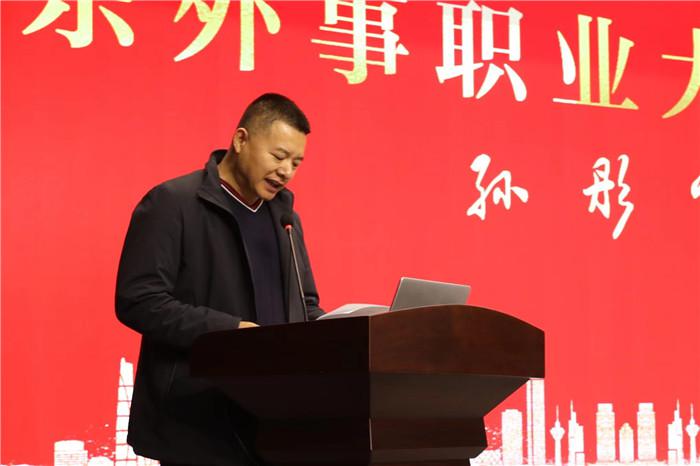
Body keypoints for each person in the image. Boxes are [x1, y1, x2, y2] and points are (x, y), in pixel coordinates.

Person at [115, 93, 324, 466]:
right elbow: (139, 300)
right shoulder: (172, 203)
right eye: (278, 156)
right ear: (241, 140)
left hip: (276, 422)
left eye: (296, 162)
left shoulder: (286, 218)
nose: (286, 172)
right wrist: (231, 331)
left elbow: (304, 304)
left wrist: (344, 332)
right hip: (198, 421)